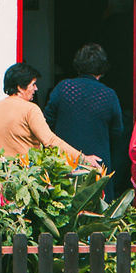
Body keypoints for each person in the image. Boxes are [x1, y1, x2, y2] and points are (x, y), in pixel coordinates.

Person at [45, 43, 126, 196]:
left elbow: (46, 122)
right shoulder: (109, 95)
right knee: (97, 209)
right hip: (97, 162)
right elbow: (117, 132)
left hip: (64, 160)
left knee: (61, 206)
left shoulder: (63, 88)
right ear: (103, 68)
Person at [0, 63, 100, 168]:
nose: (36, 89)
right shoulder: (30, 109)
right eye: (33, 84)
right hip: (22, 177)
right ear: (20, 87)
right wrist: (82, 158)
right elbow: (50, 141)